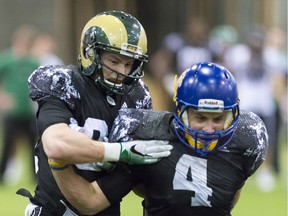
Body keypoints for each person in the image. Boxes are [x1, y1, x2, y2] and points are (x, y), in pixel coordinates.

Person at [49, 62, 269, 216]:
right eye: (200, 117)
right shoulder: (149, 141)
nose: (209, 129)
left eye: (218, 118)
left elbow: (229, 194)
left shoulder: (247, 139)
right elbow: (91, 201)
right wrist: (58, 163)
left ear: (233, 115)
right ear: (180, 110)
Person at [17, 10, 173, 216]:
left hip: (103, 203)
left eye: (129, 64)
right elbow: (55, 144)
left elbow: (139, 186)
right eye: (114, 61)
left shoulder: (137, 96)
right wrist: (120, 151)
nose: (122, 72)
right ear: (90, 53)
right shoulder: (65, 83)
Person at [0, 25, 39, 184]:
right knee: (8, 145)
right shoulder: (7, 60)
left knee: (33, 146)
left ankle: (35, 177)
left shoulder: (33, 62)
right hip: (12, 113)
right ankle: (2, 176)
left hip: (28, 112)